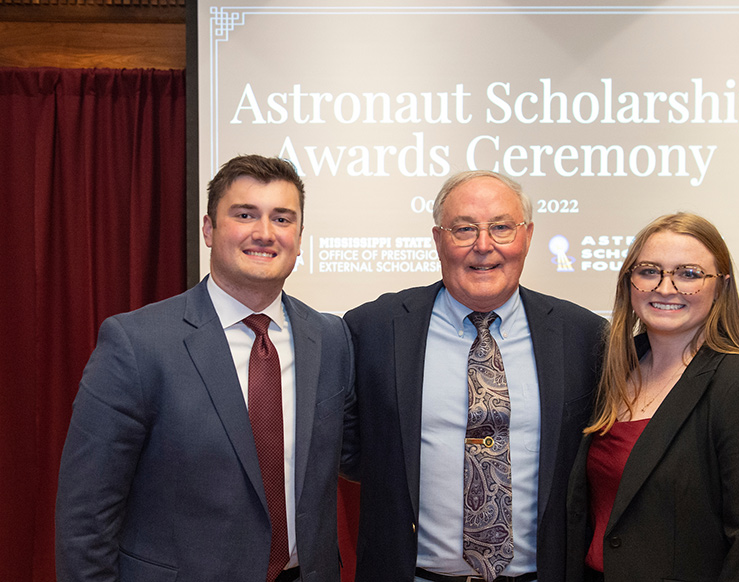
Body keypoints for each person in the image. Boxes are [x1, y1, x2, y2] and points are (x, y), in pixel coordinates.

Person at [55, 155, 356, 582]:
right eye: (245, 214)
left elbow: (355, 455)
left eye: (282, 218)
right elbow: (86, 514)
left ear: (300, 237)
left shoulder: (330, 338)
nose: (264, 233)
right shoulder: (137, 343)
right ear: (209, 230)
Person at [344, 170, 606, 582]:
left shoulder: (583, 336)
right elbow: (350, 450)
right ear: (437, 240)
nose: (483, 246)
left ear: (528, 236)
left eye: (502, 228)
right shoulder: (373, 329)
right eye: (464, 229)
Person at [566, 212, 739, 582]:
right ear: (629, 282)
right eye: (648, 271)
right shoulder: (614, 370)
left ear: (720, 287)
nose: (665, 287)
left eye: (688, 274)